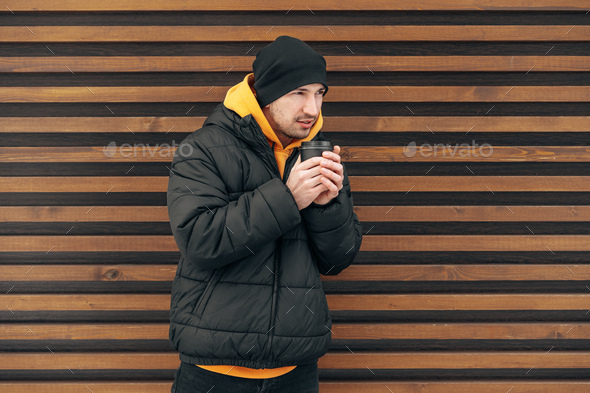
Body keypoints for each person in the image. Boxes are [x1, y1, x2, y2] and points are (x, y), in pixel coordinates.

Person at [167, 35, 363, 393]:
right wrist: (288, 198)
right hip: (215, 371)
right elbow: (200, 240)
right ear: (265, 94)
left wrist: (327, 206)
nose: (312, 109)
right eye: (298, 93)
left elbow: (337, 261)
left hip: (296, 372)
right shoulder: (203, 149)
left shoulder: (315, 156)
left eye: (319, 93)